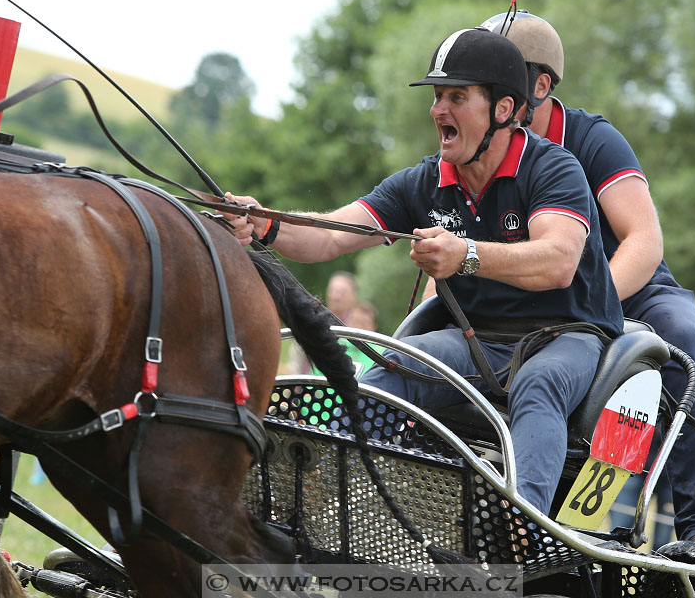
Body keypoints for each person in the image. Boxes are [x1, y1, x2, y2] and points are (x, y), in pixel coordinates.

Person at [223, 27, 623, 515]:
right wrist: (266, 223)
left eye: (457, 96)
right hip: (475, 337)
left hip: (568, 336)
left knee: (538, 384)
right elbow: (329, 235)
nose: (438, 110)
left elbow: (558, 261)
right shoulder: (425, 180)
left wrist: (466, 255)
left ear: (502, 110)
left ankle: (522, 533)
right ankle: (318, 503)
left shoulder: (554, 168)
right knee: (392, 365)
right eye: (437, 96)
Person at [468, 10, 695, 542]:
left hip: (627, 291)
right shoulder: (481, 150)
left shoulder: (592, 140)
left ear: (538, 87)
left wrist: (590, 309)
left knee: (679, 332)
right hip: (536, 299)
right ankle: (542, 523)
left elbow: (644, 242)